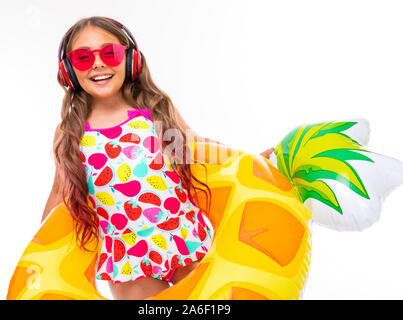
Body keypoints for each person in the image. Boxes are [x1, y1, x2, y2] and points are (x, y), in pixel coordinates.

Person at [41, 16, 273, 300]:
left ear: (130, 60)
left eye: (109, 53)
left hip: (180, 235)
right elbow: (58, 193)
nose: (98, 64)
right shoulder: (70, 133)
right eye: (83, 57)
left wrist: (248, 160)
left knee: (212, 297)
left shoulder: (153, 111)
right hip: (127, 255)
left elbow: (198, 147)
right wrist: (41, 254)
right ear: (68, 70)